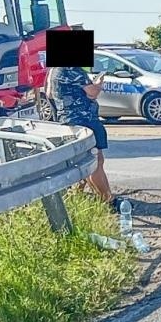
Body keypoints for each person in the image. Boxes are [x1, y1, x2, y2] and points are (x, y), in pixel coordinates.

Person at [46, 61, 119, 210]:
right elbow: (92, 92)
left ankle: (75, 197)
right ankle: (108, 200)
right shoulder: (71, 68)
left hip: (69, 121)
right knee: (94, 162)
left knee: (84, 162)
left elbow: (48, 93)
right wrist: (98, 84)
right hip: (83, 120)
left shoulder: (54, 70)